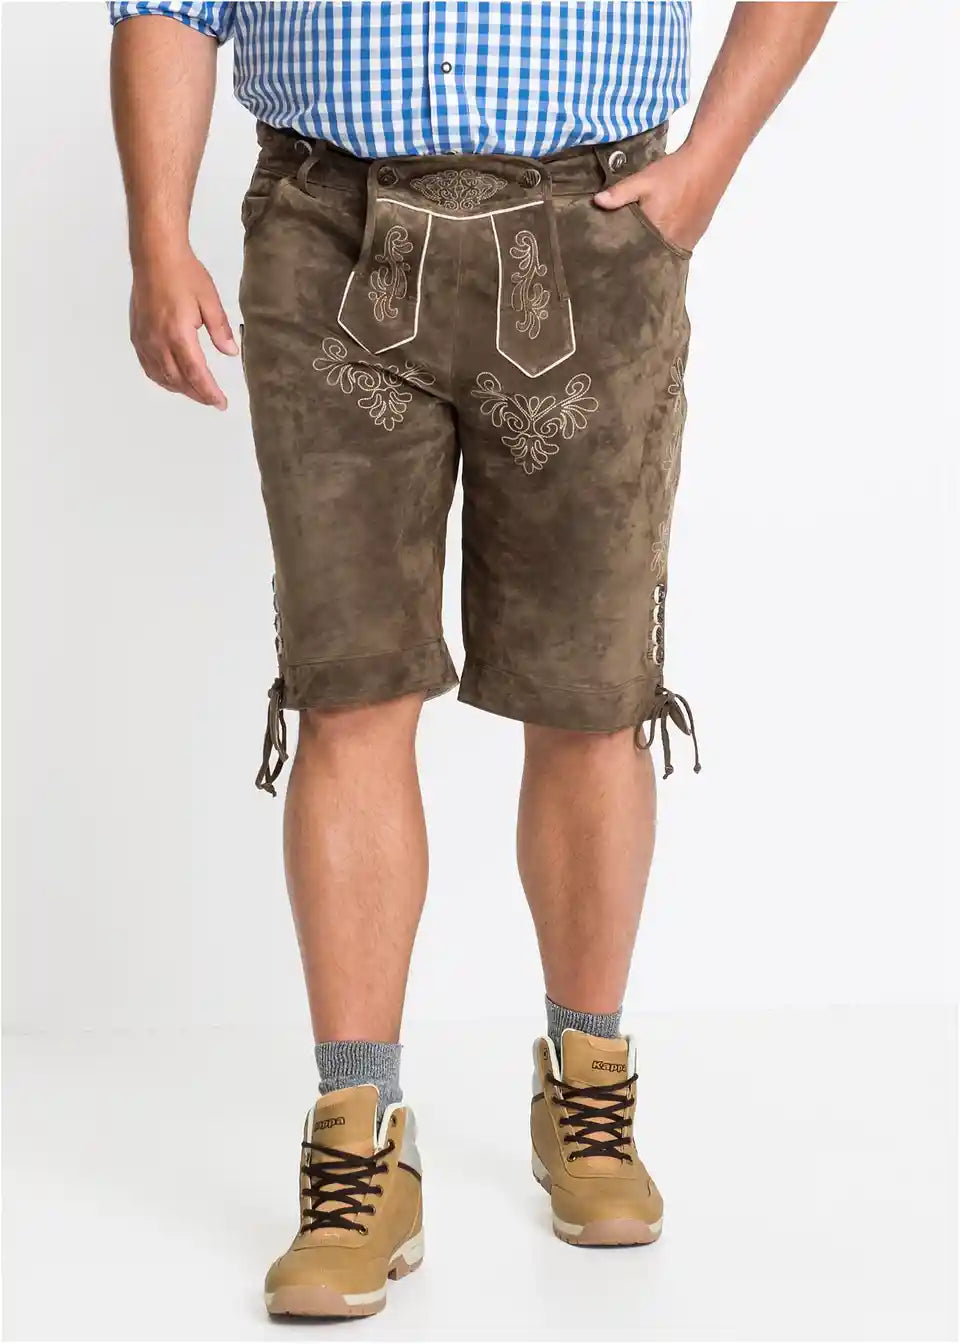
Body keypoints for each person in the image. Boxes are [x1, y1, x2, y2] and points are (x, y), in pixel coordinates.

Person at [109, 0, 834, 1320]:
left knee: (590, 693)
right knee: (348, 690)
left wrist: (714, 156)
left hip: (593, 230)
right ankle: (360, 1144)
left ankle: (588, 1095)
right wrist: (156, 232)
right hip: (330, 235)